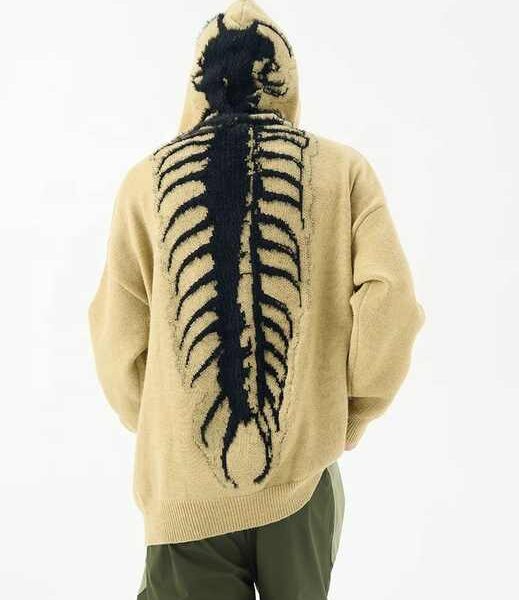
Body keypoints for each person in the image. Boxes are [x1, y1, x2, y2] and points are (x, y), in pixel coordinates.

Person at [88, 1, 425, 598]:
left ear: (198, 81)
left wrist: (167, 425)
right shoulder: (342, 171)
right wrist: (345, 415)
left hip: (183, 497)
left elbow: (117, 341)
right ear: (284, 79)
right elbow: (390, 303)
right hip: (301, 482)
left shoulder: (145, 184)